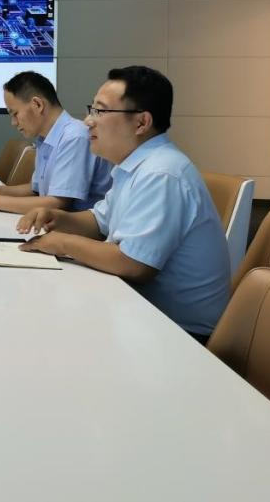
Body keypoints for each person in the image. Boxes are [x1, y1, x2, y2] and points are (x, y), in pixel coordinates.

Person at [17, 66, 230, 341]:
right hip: (138, 312)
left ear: (141, 122)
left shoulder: (161, 173)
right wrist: (56, 217)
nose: (88, 121)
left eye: (100, 111)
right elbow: (99, 221)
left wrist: (62, 242)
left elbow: (133, 264)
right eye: (91, 109)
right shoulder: (133, 165)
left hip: (179, 333)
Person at [0, 71, 111, 213]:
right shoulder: (46, 138)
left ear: (37, 104)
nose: (13, 123)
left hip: (79, 230)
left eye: (15, 113)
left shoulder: (75, 137)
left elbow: (57, 204)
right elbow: (36, 190)